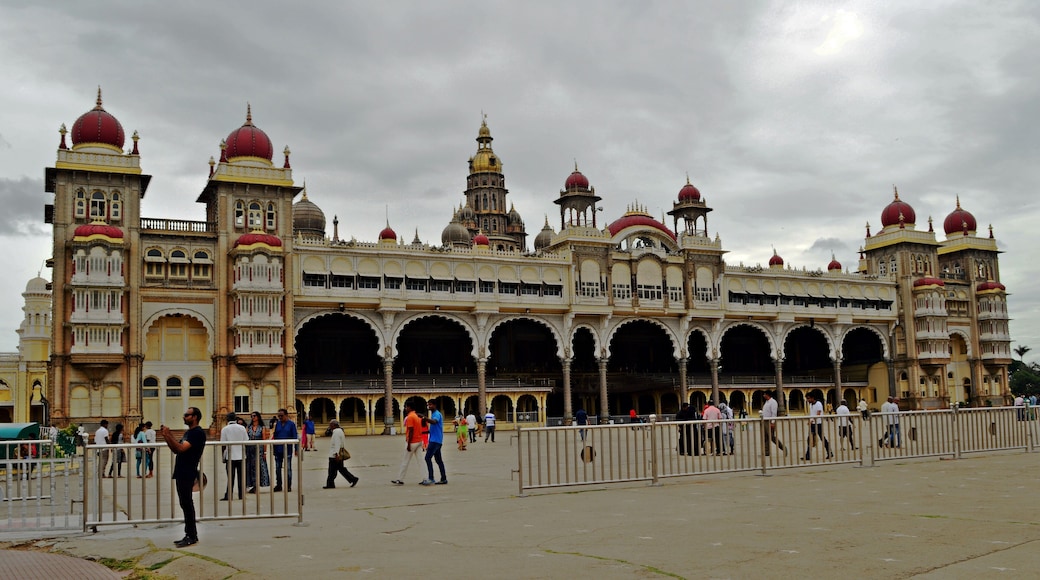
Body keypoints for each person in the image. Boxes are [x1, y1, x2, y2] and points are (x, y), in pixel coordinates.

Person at [161, 406, 206, 548]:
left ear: (195, 417)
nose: (184, 417)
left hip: (187, 471)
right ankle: (190, 534)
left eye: (187, 415)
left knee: (187, 504)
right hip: (182, 471)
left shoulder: (197, 433)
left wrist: (169, 434)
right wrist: (166, 436)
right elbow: (176, 449)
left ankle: (191, 535)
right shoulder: (189, 433)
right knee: (184, 503)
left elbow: (181, 449)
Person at [392, 401, 424, 485]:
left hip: (412, 442)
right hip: (419, 440)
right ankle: (425, 478)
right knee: (421, 461)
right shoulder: (417, 416)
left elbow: (411, 431)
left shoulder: (410, 417)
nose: (405, 409)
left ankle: (400, 479)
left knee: (405, 461)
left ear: (409, 407)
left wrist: (409, 444)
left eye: (406, 407)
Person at [220, 412, 248, 500]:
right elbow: (246, 440)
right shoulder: (242, 428)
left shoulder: (225, 429)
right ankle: (241, 494)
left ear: (227, 419)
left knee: (230, 477)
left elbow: (223, 444)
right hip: (241, 455)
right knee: (241, 477)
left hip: (230, 456)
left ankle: (228, 495)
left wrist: (223, 456)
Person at [323, 419, 358, 489]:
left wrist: (336, 454)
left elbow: (337, 443)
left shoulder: (336, 432)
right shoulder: (340, 431)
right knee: (341, 469)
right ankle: (352, 479)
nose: (330, 426)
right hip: (338, 453)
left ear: (334, 425)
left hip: (334, 454)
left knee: (332, 470)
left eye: (331, 425)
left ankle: (330, 484)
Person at [271, 408, 298, 492]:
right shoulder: (277, 424)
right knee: (278, 468)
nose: (280, 417)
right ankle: (279, 485)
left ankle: (288, 485)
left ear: (286, 415)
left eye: (281, 416)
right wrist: (274, 449)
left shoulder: (291, 424)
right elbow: (275, 436)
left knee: (288, 468)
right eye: (279, 416)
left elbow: (295, 436)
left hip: (287, 450)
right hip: (278, 449)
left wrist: (296, 449)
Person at [422, 400, 447, 485]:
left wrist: (424, 418)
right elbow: (433, 429)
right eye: (428, 405)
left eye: (431, 405)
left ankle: (431, 478)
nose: (429, 406)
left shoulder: (436, 414)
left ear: (435, 405)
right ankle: (443, 478)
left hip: (435, 441)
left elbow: (434, 422)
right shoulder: (433, 414)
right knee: (438, 460)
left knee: (427, 458)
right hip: (436, 440)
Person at [245, 412, 270, 493]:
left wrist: (265, 452)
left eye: (254, 416)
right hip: (250, 450)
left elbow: (264, 440)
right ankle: (252, 485)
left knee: (259, 468)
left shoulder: (262, 428)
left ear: (258, 417)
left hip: (259, 450)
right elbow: (245, 437)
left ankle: (257, 485)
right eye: (251, 416)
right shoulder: (249, 427)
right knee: (250, 467)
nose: (253, 417)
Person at [804, 393, 833, 460]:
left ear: (812, 398)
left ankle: (829, 452)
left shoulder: (818, 404)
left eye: (808, 398)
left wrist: (812, 420)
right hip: (813, 424)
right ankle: (808, 455)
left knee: (822, 438)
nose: (807, 400)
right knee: (810, 439)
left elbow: (818, 413)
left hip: (818, 424)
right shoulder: (811, 405)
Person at [761, 391, 785, 456]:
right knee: (766, 437)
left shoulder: (773, 402)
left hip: (769, 421)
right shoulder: (767, 402)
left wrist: (773, 422)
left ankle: (783, 448)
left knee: (771, 437)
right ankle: (767, 452)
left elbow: (774, 413)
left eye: (764, 394)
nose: (763, 395)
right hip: (765, 420)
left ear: (767, 395)